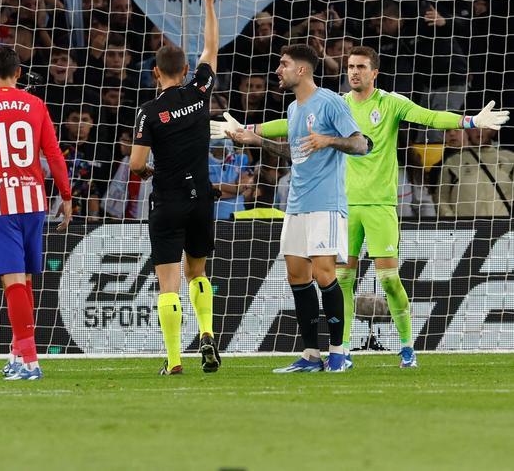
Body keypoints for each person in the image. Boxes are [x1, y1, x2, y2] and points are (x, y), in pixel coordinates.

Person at [337, 46, 509, 369]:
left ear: (374, 73)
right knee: (343, 278)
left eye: (361, 66)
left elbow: (430, 116)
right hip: (346, 207)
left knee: (388, 280)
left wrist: (469, 120)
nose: (354, 72)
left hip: (380, 206)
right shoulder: (339, 106)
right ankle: (342, 349)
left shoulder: (390, 103)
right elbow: (301, 123)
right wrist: (250, 132)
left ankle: (406, 346)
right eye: (350, 66)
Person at [214, 44, 369, 373]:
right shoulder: (294, 109)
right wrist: (257, 141)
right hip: (297, 204)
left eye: (283, 64)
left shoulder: (329, 101)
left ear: (301, 70)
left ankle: (339, 353)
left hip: (326, 204)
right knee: (297, 276)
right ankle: (312, 354)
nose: (277, 70)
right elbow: (295, 153)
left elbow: (361, 144)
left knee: (324, 274)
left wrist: (329, 141)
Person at [0, 46, 72, 381]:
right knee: (23, 281)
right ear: (19, 73)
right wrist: (66, 196)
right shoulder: (35, 104)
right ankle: (16, 353)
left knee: (12, 283)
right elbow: (53, 153)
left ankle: (31, 361)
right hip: (33, 201)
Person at [129, 0, 221, 376]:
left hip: (167, 200)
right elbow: (212, 49)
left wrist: (147, 168)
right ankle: (207, 333)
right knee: (197, 273)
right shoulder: (200, 92)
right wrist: (208, 2)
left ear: (155, 73)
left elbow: (135, 164)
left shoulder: (149, 111)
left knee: (169, 284)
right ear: (185, 71)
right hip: (202, 198)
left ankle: (173, 359)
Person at [437, 126, 514, 217]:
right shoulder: (454, 162)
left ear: (493, 131)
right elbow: (441, 197)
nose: (478, 131)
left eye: (484, 127)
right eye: (474, 127)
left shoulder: (509, 159)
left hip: (502, 226)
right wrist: (451, 220)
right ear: (467, 130)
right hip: (466, 227)